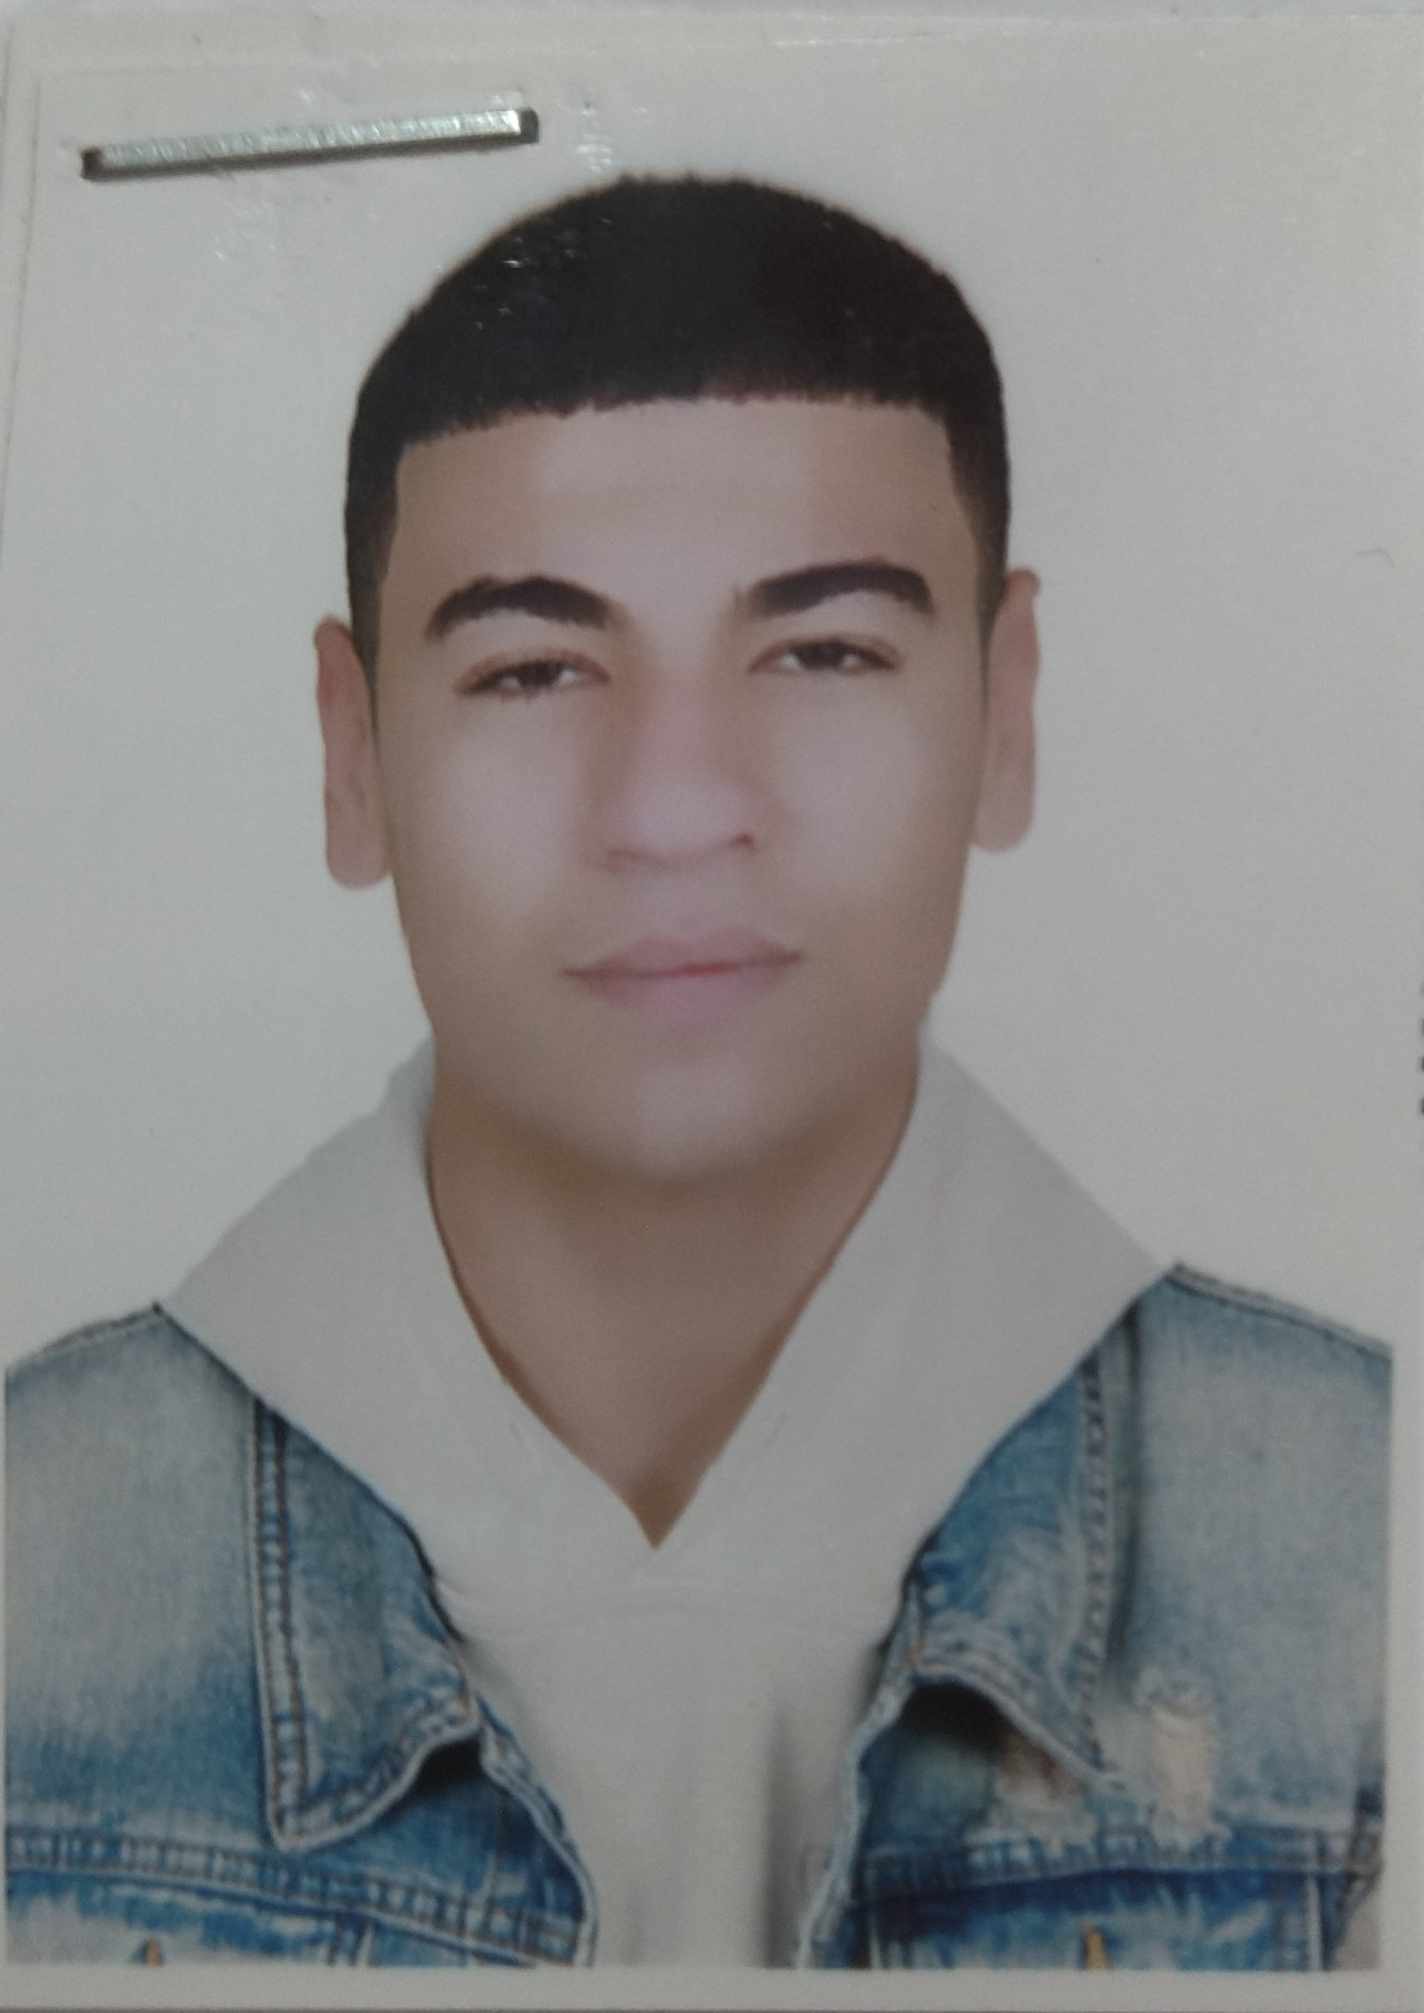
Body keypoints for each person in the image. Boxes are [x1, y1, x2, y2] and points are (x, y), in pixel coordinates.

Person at [5, 174, 1389, 1972]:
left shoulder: (1361, 1540)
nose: (673, 808)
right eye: (534, 670)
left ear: (1003, 708)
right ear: (355, 755)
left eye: (823, 651)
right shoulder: (32, 1559)